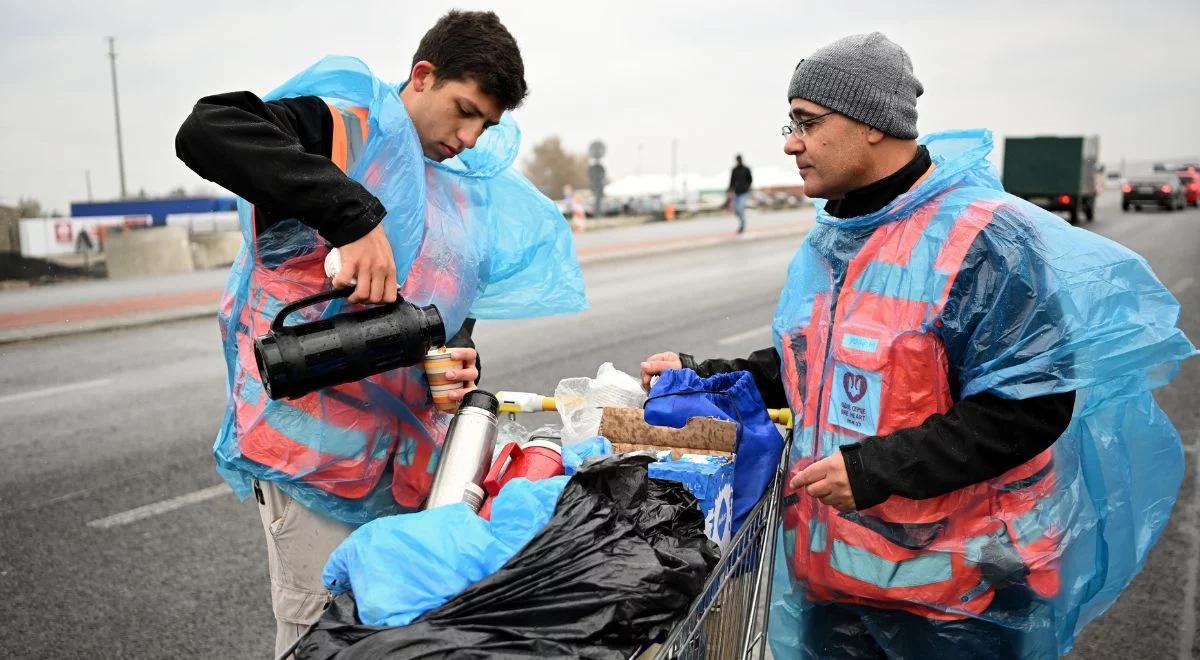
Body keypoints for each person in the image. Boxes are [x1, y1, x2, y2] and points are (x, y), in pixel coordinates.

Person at [641, 32, 1194, 658]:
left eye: (807, 122)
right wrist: (702, 374)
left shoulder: (983, 241)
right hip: (842, 588)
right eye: (789, 123)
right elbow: (817, 362)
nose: (791, 142)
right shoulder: (838, 235)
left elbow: (1031, 406)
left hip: (962, 602)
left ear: (873, 124)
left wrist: (876, 470)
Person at [176, 11, 586, 656]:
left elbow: (449, 313)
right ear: (422, 76)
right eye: (464, 110)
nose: (471, 137)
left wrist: (454, 361)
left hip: (404, 465)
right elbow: (209, 129)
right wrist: (353, 217)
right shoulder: (344, 129)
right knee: (321, 635)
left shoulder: (457, 190)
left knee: (396, 634)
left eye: (487, 124)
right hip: (312, 462)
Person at [728, 154, 753, 233]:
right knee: (736, 210)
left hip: (743, 193)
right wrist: (729, 191)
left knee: (740, 208)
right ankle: (742, 221)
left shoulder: (746, 169)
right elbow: (731, 181)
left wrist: (747, 187)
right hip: (736, 193)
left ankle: (742, 226)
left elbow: (750, 180)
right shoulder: (734, 170)